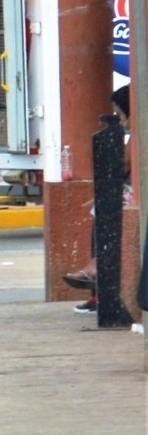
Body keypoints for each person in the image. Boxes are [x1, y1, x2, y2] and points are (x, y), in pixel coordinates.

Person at [62, 84, 133, 314]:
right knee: (98, 213)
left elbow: (126, 165)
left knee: (103, 214)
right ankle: (96, 279)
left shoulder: (138, 134)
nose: (121, 122)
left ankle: (96, 268)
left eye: (121, 115)